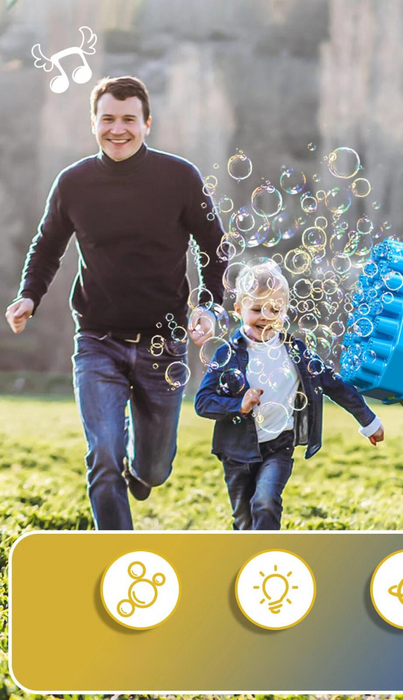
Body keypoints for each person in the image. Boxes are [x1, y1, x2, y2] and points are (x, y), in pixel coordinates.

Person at [4, 76, 226, 530]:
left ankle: (141, 470)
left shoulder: (179, 177)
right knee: (102, 458)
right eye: (108, 119)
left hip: (165, 347)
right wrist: (29, 295)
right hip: (97, 342)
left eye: (129, 119)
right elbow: (47, 247)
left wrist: (208, 305)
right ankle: (120, 558)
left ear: (147, 123)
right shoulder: (74, 182)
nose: (117, 129)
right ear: (93, 123)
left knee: (155, 469)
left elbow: (214, 247)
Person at [195, 261, 385, 530]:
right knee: (243, 521)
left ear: (285, 312)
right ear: (238, 310)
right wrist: (240, 404)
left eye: (274, 309)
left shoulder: (296, 351)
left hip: (278, 446)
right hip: (236, 451)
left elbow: (335, 384)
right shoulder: (227, 354)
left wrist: (369, 420)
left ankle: (267, 558)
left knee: (265, 503)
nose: (265, 316)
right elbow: (203, 402)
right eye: (256, 309)